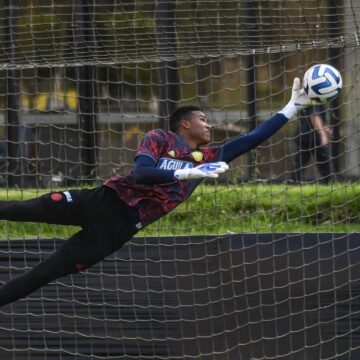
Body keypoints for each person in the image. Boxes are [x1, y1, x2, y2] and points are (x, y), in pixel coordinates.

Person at [0, 78, 314, 307]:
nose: (209, 126)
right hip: (102, 201)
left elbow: (252, 138)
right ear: (185, 124)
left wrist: (290, 108)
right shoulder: (159, 137)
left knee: (41, 275)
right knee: (21, 209)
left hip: (117, 231)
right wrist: (186, 172)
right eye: (203, 120)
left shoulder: (210, 158)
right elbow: (141, 173)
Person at [293, 105, 333, 183]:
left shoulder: (308, 100)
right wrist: (322, 134)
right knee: (323, 162)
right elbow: (315, 117)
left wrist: (325, 128)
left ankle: (293, 182)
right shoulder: (315, 100)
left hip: (304, 135)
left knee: (301, 161)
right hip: (312, 138)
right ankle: (330, 182)